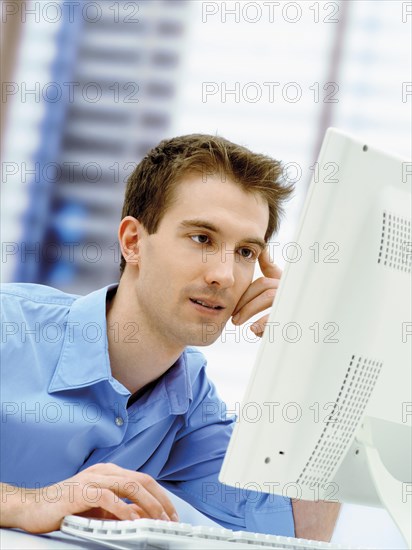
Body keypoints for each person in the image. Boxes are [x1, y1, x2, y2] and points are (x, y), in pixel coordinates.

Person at [0, 134, 340, 538]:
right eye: (202, 239)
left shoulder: (189, 401)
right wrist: (26, 503)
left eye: (246, 252)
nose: (224, 275)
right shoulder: (11, 325)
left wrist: (317, 362)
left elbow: (299, 532)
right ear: (133, 242)